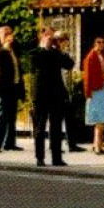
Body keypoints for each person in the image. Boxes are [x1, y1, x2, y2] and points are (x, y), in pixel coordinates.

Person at [28, 28, 74, 166]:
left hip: (56, 94)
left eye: (51, 36)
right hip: (41, 94)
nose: (49, 38)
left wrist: (58, 48)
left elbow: (69, 64)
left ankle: (57, 157)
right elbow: (38, 63)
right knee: (40, 127)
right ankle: (40, 157)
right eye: (47, 35)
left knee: (56, 127)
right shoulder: (35, 53)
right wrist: (47, 49)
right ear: (41, 37)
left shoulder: (56, 53)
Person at [0, 25, 24, 152]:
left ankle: (10, 143)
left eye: (9, 34)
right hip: (3, 89)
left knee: (11, 117)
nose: (8, 37)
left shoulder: (14, 52)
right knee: (1, 116)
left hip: (13, 87)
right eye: (5, 35)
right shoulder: (0, 52)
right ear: (0, 38)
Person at [83, 34, 104, 155]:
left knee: (102, 119)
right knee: (99, 119)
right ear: (94, 43)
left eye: (103, 42)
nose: (101, 44)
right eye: (98, 42)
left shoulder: (102, 56)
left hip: (103, 88)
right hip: (96, 90)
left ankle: (98, 144)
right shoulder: (91, 57)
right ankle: (97, 146)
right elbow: (88, 76)